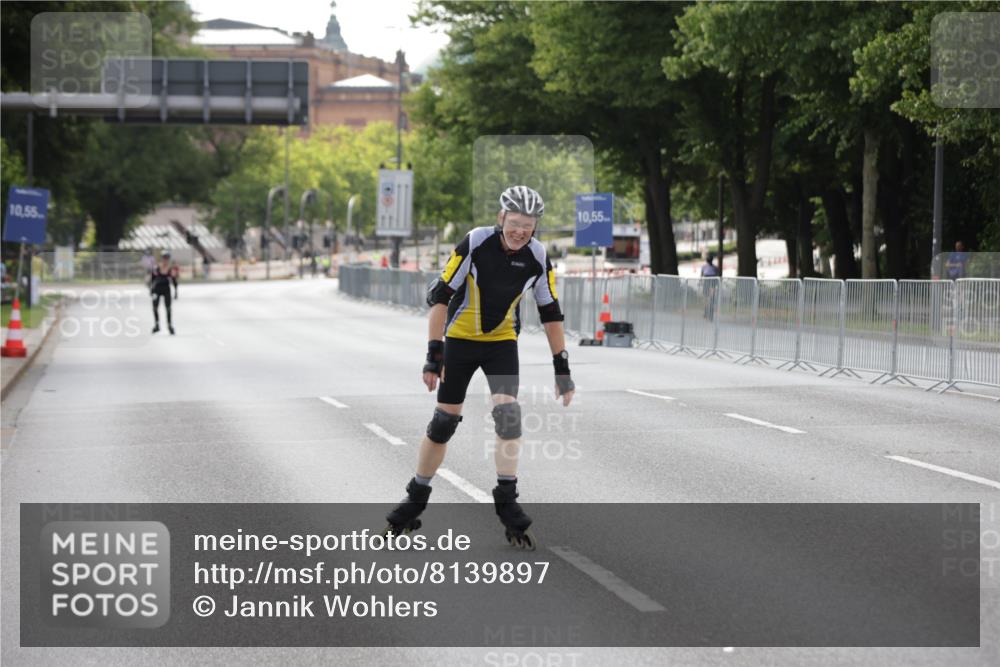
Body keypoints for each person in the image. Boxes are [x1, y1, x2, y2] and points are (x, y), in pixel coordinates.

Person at [385, 186, 575, 549]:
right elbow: (441, 295)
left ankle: (507, 501)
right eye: (515, 223)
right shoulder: (475, 242)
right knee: (443, 423)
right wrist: (434, 354)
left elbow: (550, 311)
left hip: (501, 343)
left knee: (509, 417)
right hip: (459, 340)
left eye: (529, 225)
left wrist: (561, 367)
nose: (521, 231)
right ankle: (414, 499)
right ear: (501, 218)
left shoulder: (537, 255)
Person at [149, 251, 179, 334]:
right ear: (162, 258)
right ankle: (157, 324)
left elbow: (174, 280)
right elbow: (152, 279)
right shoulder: (157, 267)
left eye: (167, 258)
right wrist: (151, 290)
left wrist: (176, 291)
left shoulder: (170, 269)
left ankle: (169, 325)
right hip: (157, 289)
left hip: (166, 289)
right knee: (155, 307)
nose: (165, 260)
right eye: (164, 258)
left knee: (168, 308)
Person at [700, 252, 719, 320]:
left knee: (708, 299)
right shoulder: (714, 267)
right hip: (710, 282)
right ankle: (707, 312)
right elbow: (717, 276)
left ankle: (708, 313)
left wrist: (700, 282)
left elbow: (701, 276)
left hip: (709, 282)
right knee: (708, 299)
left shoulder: (705, 267)